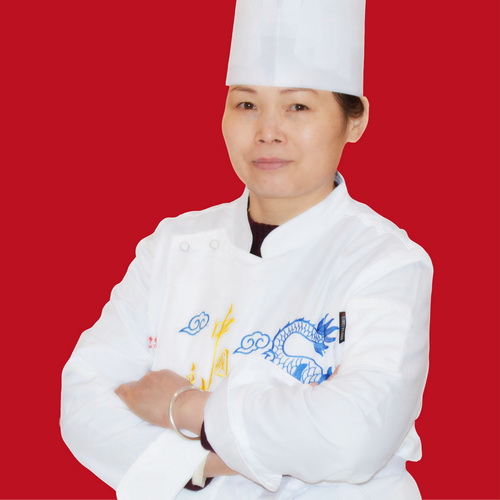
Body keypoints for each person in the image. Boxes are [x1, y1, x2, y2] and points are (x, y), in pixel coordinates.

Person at [61, 1, 433, 498]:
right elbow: (84, 398)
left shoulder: (385, 261)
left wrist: (185, 407)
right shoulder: (173, 245)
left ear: (356, 121)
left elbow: (356, 434)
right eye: (246, 104)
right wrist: (206, 463)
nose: (267, 132)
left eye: (298, 107)